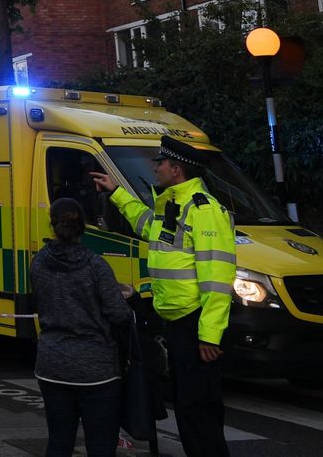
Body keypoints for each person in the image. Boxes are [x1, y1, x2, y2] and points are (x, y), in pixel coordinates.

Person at [93, 135, 235, 457]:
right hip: (177, 323)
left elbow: (217, 278)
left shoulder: (203, 211)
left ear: (177, 169)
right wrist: (117, 193)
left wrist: (209, 336)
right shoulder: (173, 205)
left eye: (160, 164)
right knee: (188, 406)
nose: (155, 168)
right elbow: (147, 227)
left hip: (194, 323)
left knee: (199, 408)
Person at [31, 197, 133, 457]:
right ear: (83, 227)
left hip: (52, 364)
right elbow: (118, 313)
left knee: (59, 440)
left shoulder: (39, 263)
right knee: (100, 444)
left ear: (52, 225)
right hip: (96, 368)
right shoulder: (95, 265)